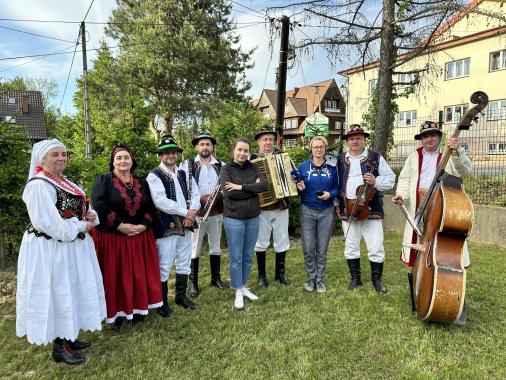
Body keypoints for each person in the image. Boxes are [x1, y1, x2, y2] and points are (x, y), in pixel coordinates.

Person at [16, 139, 106, 365]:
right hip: (51, 249)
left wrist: (91, 215)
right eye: (54, 154)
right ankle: (59, 347)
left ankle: (68, 335)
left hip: (70, 246)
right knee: (57, 292)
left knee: (71, 289)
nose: (61, 158)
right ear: (42, 159)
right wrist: (80, 226)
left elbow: (79, 207)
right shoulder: (38, 185)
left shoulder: (64, 181)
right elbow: (48, 224)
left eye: (64, 154)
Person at [392, 121, 472, 323]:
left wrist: (458, 151)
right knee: (422, 250)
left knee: (450, 251)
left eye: (433, 135)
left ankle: (455, 294)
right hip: (419, 206)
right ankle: (424, 291)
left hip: (443, 207)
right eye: (425, 136)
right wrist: (401, 194)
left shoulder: (449, 153)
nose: (428, 139)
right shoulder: (414, 157)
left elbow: (466, 170)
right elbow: (404, 179)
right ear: (421, 139)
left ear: (439, 137)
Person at [92, 144, 162, 331]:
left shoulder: (142, 182)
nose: (123, 161)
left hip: (139, 237)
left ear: (132, 161)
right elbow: (99, 206)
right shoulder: (104, 180)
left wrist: (143, 225)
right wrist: (120, 226)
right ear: (112, 161)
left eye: (126, 158)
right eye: (119, 158)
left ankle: (139, 309)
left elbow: (151, 208)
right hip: (114, 238)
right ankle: (115, 314)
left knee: (138, 274)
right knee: (115, 276)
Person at [337, 124, 395, 293]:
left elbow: (391, 179)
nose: (355, 141)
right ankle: (355, 279)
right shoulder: (340, 159)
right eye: (352, 138)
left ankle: (377, 280)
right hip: (348, 209)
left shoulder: (375, 157)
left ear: (364, 139)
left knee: (376, 245)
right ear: (347, 141)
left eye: (358, 138)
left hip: (371, 209)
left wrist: (376, 181)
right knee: (351, 244)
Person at [147, 135, 200, 315]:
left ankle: (180, 296)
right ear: (160, 156)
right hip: (166, 225)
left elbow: (195, 194)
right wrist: (186, 213)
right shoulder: (154, 175)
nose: (170, 155)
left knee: (184, 260)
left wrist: (191, 212)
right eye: (166, 152)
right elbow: (160, 201)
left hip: (186, 223)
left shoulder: (183, 173)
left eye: (173, 152)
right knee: (164, 264)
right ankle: (161, 302)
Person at [220, 137, 268, 310]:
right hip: (234, 219)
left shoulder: (254, 167)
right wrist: (251, 188)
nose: (242, 153)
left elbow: (264, 185)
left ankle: (243, 285)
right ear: (233, 150)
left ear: (249, 152)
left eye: (246, 151)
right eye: (239, 149)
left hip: (253, 218)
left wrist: (241, 187)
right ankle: (238, 291)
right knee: (236, 257)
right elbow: (228, 194)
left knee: (248, 255)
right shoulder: (226, 169)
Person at [180, 132, 228, 298]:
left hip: (216, 211)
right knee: (194, 249)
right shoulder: (188, 165)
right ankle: (192, 283)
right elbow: (183, 187)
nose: (205, 147)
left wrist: (217, 196)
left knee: (215, 246)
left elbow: (226, 187)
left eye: (208, 144)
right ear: (196, 147)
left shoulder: (221, 165)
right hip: (197, 213)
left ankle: (216, 278)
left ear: (212, 146)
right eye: (202, 144)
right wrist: (200, 197)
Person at [293, 136, 339, 293]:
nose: (318, 150)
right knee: (308, 247)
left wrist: (330, 194)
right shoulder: (303, 167)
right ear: (311, 149)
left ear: (326, 149)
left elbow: (338, 188)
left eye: (321, 147)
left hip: (327, 211)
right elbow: (297, 189)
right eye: (315, 147)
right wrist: (299, 187)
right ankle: (311, 278)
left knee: (322, 248)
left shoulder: (332, 167)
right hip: (307, 211)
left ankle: (320, 280)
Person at [251, 125, 291, 287]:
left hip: (281, 204)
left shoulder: (283, 156)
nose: (268, 142)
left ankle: (280, 274)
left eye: (270, 139)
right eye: (264, 139)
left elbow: (291, 176)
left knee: (282, 239)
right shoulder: (251, 159)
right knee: (261, 241)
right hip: (261, 207)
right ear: (258, 142)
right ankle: (262, 276)